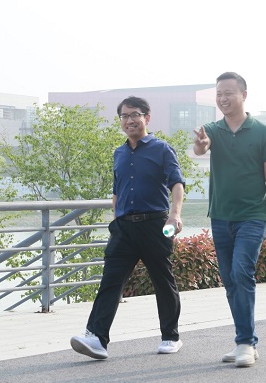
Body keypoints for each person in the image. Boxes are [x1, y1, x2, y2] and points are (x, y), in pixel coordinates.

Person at [70, 96, 185, 359]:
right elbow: (117, 190)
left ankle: (170, 336)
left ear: (147, 117)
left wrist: (175, 215)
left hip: (154, 224)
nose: (129, 120)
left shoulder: (162, 149)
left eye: (135, 115)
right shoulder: (119, 153)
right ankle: (97, 338)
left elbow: (177, 183)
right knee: (110, 281)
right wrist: (116, 219)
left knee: (162, 280)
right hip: (123, 228)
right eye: (124, 116)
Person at [193, 72, 266, 367]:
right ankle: (244, 340)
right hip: (220, 217)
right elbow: (200, 148)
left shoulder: (263, 132)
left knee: (241, 273)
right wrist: (201, 144)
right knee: (230, 281)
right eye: (219, 94)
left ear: (243, 95)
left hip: (252, 217)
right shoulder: (212, 129)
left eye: (229, 93)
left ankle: (246, 343)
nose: (223, 99)